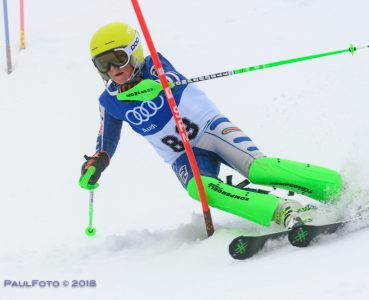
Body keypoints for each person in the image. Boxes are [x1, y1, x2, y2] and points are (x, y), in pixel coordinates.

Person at [80, 22, 342, 229]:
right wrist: (96, 163)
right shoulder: (108, 102)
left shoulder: (155, 65)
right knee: (200, 191)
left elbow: (168, 77)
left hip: (211, 131)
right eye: (103, 63)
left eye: (118, 57)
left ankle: (336, 187)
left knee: (260, 169)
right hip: (183, 155)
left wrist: (157, 86)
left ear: (134, 52)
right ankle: (281, 209)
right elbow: (106, 143)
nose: (113, 68)